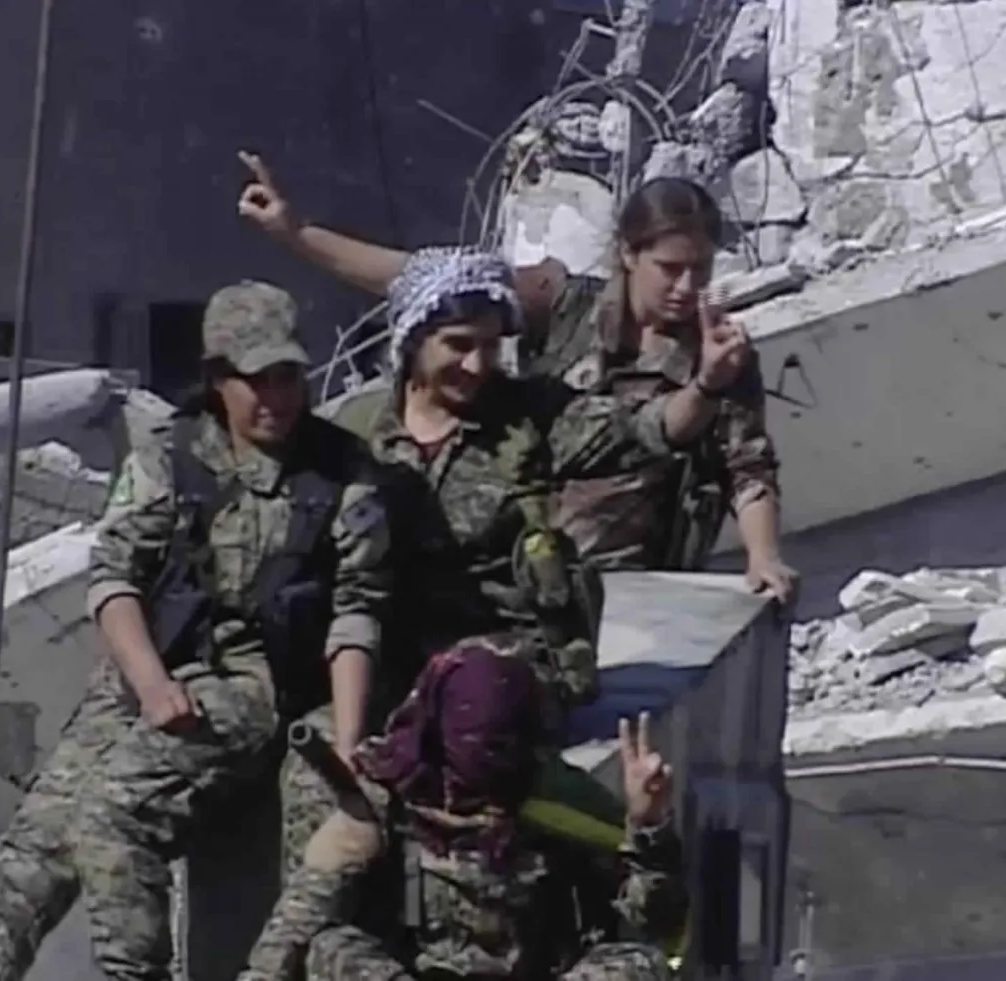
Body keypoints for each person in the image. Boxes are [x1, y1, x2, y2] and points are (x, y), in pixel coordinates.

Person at [266, 243, 750, 894]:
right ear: (413, 340)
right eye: (459, 344)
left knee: (468, 743)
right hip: (404, 663)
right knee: (312, 765)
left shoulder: (532, 415)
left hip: (509, 659)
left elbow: (653, 430)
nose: (477, 364)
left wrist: (709, 382)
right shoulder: (366, 443)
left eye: (492, 346)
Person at [0, 281, 393, 981]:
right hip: (151, 670)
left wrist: (347, 736)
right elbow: (114, 578)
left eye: (288, 378)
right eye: (256, 381)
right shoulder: (171, 455)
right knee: (36, 845)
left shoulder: (341, 471)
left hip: (253, 681)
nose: (276, 397)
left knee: (113, 811)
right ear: (218, 379)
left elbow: (357, 610)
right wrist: (150, 685)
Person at [236, 151, 795, 599]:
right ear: (629, 254)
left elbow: (747, 467)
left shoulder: (718, 354)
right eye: (671, 269)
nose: (687, 286)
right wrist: (296, 232)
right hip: (520, 558)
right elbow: (430, 280)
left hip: (639, 578)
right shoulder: (564, 306)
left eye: (702, 268)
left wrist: (763, 557)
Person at [240, 641, 684, 981]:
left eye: (501, 746)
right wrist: (341, 856)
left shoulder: (557, 802)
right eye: (473, 744)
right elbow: (294, 933)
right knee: (331, 948)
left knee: (637, 966)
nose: (487, 764)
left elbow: (659, 921)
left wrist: (648, 826)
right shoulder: (383, 794)